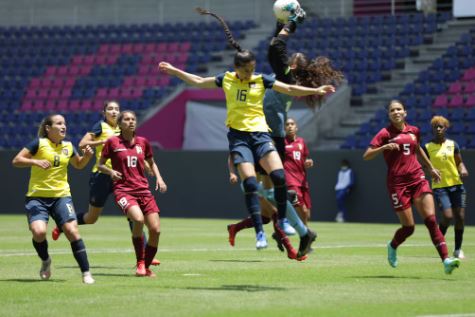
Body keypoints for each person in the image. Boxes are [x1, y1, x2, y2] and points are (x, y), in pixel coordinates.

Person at [159, 8, 334, 257]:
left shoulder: (268, 79)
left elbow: (282, 66)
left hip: (266, 134)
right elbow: (199, 81)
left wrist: (315, 90)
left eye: (252, 68)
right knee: (255, 187)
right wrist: (175, 71)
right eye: (248, 68)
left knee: (274, 184)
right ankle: (282, 228)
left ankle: (284, 223)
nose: (252, 72)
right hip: (249, 135)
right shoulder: (235, 79)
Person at [50, 101, 160, 266]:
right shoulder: (100, 127)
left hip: (124, 178)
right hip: (102, 176)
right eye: (110, 109)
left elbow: (135, 151)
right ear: (104, 112)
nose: (114, 111)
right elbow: (81, 144)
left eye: (116, 109)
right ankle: (63, 224)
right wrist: (101, 143)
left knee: (134, 217)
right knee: (91, 218)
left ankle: (143, 256)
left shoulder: (124, 129)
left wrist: (146, 166)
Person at [362, 100, 461, 274]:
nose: (396, 112)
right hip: (397, 183)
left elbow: (417, 149)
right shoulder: (384, 133)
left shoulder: (414, 130)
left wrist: (430, 168)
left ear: (405, 112)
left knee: (431, 220)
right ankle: (393, 245)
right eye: (392, 110)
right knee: (409, 228)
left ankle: (446, 260)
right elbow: (366, 155)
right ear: (389, 114)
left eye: (399, 109)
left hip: (417, 178)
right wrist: (384, 147)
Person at [12, 114, 95, 284]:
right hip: (37, 197)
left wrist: (86, 157)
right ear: (48, 128)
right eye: (59, 123)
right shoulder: (39, 143)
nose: (63, 126)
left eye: (64, 123)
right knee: (39, 232)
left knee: (72, 231)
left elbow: (78, 165)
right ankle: (45, 260)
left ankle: (86, 273)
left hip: (61, 197)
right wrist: (35, 162)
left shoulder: (68, 146)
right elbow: (16, 160)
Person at [98, 110, 167, 277]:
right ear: (120, 124)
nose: (131, 122)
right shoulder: (112, 142)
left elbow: (152, 162)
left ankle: (147, 267)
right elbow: (100, 164)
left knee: (156, 230)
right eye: (127, 119)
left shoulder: (143, 142)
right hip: (123, 191)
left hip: (143, 190)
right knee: (138, 219)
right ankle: (140, 263)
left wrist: (159, 178)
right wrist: (110, 172)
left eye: (133, 119)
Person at [226, 156, 306, 261]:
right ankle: (290, 250)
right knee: (275, 213)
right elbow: (232, 155)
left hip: (266, 184)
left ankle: (235, 228)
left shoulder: (266, 143)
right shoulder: (246, 143)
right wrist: (232, 173)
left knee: (265, 218)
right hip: (253, 184)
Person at [424, 115, 469, 259]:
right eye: (435, 126)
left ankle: (457, 249)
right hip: (440, 187)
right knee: (448, 216)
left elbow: (459, 162)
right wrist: (430, 171)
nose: (438, 129)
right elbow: (424, 165)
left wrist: (462, 169)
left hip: (456, 185)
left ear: (445, 128)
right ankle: (439, 241)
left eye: (441, 126)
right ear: (432, 129)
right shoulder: (427, 147)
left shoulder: (453, 144)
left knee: (460, 217)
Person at [284, 117, 314, 224]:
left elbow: (306, 158)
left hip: (303, 180)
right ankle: (304, 234)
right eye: (287, 124)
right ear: (284, 128)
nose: (290, 126)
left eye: (292, 124)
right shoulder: (282, 143)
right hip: (291, 181)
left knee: (307, 214)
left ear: (296, 127)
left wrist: (309, 162)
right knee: (303, 210)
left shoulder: (301, 142)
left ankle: (304, 232)